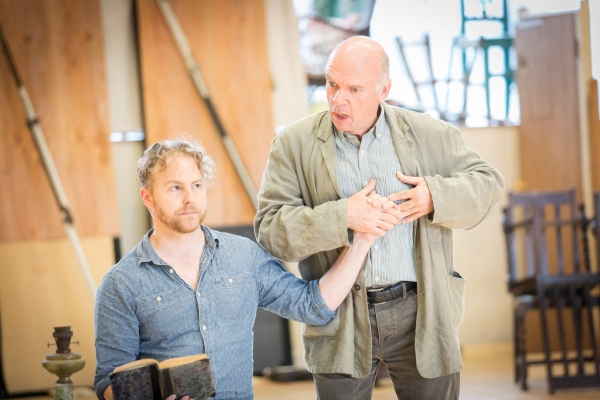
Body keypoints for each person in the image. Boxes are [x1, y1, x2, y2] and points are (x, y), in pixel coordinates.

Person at [254, 36, 505, 400]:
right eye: (332, 84)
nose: (338, 99)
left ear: (383, 89)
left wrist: (434, 196)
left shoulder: (428, 133)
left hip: (421, 312)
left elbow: (488, 182)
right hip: (339, 318)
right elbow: (271, 230)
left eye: (354, 89)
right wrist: (343, 215)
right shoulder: (293, 144)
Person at [93, 137, 399, 400]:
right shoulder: (121, 283)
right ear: (147, 197)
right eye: (175, 188)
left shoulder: (243, 256)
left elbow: (313, 306)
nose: (189, 198)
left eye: (196, 185)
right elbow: (108, 380)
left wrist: (362, 241)